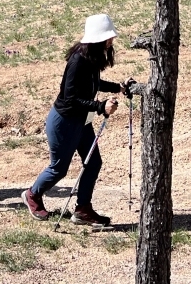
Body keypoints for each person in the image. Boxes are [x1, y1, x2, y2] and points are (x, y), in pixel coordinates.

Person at [22, 14, 131, 227]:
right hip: (64, 122)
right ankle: (32, 195)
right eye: (109, 37)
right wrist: (100, 107)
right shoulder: (78, 60)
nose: (112, 41)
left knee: (93, 162)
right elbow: (71, 97)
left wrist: (118, 87)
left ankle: (82, 210)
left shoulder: (91, 56)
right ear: (99, 38)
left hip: (82, 121)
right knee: (59, 168)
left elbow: (93, 83)